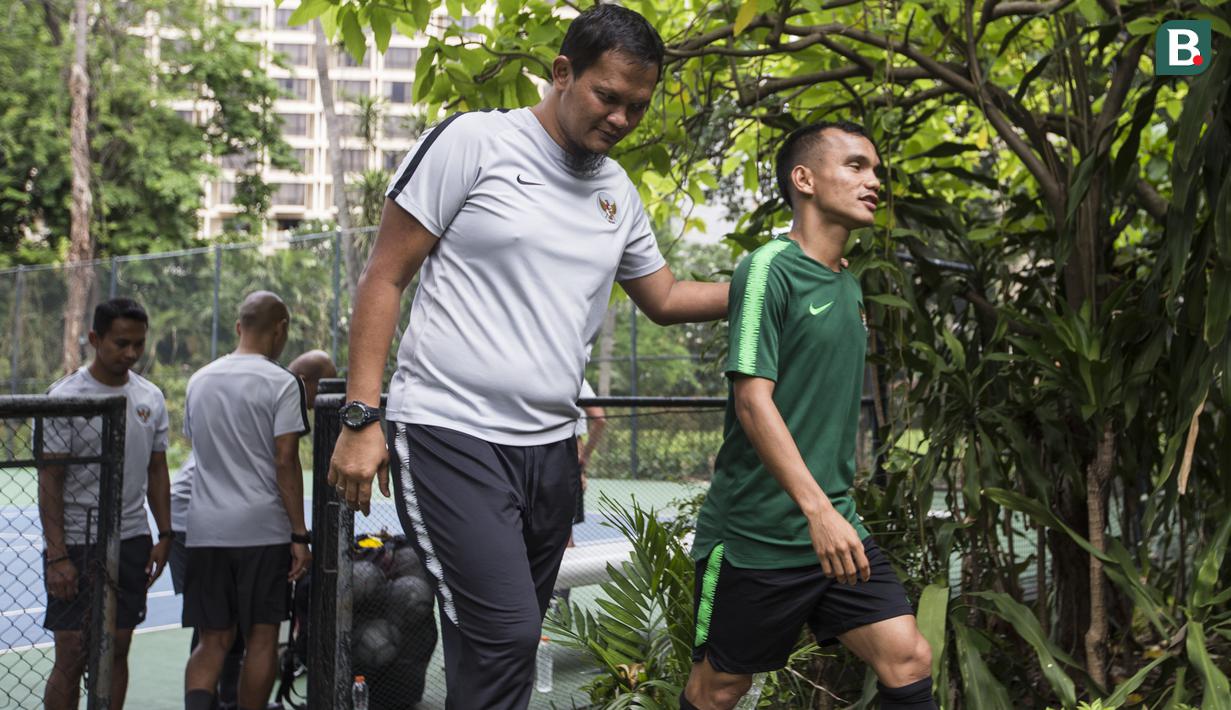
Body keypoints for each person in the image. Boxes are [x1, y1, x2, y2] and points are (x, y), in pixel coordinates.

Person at [326, 5, 728, 707]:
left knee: (499, 655)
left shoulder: (616, 192)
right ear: (562, 73)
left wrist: (771, 282)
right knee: (505, 633)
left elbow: (662, 295)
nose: (622, 119)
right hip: (451, 435)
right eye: (608, 97)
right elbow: (384, 275)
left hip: (549, 452)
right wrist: (362, 414)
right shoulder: (474, 143)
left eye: (637, 106)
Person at [682, 122, 936, 710]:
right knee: (720, 689)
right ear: (805, 179)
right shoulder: (770, 267)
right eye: (855, 166)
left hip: (834, 529)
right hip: (756, 537)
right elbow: (752, 399)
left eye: (876, 170)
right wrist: (816, 510)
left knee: (908, 659)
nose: (874, 181)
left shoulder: (847, 286)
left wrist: (828, 513)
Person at [168, 349, 334, 709]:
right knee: (245, 633)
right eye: (322, 393)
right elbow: (283, 465)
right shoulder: (280, 392)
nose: (317, 405)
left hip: (202, 520)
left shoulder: (230, 383)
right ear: (306, 383)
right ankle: (227, 700)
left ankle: (222, 700)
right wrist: (299, 535)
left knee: (216, 632)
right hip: (221, 519)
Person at [39, 297, 172, 710]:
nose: (131, 353)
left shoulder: (150, 397)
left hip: (131, 539)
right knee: (72, 653)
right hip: (76, 543)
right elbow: (50, 481)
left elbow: (156, 472)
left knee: (117, 649)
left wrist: (165, 534)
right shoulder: (65, 396)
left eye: (138, 344)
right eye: (121, 343)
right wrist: (58, 556)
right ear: (96, 339)